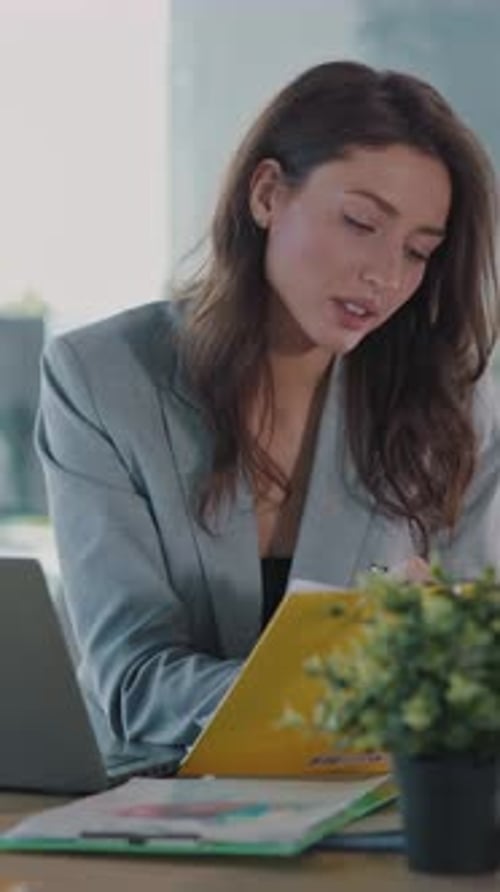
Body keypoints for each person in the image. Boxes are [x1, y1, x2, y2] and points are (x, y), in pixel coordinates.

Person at [36, 60, 500, 764]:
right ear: (266, 194)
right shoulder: (101, 379)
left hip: (372, 809)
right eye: (360, 223)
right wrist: (366, 677)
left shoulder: (451, 398)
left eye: (417, 251)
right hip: (155, 804)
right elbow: (131, 681)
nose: (386, 275)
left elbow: (473, 666)